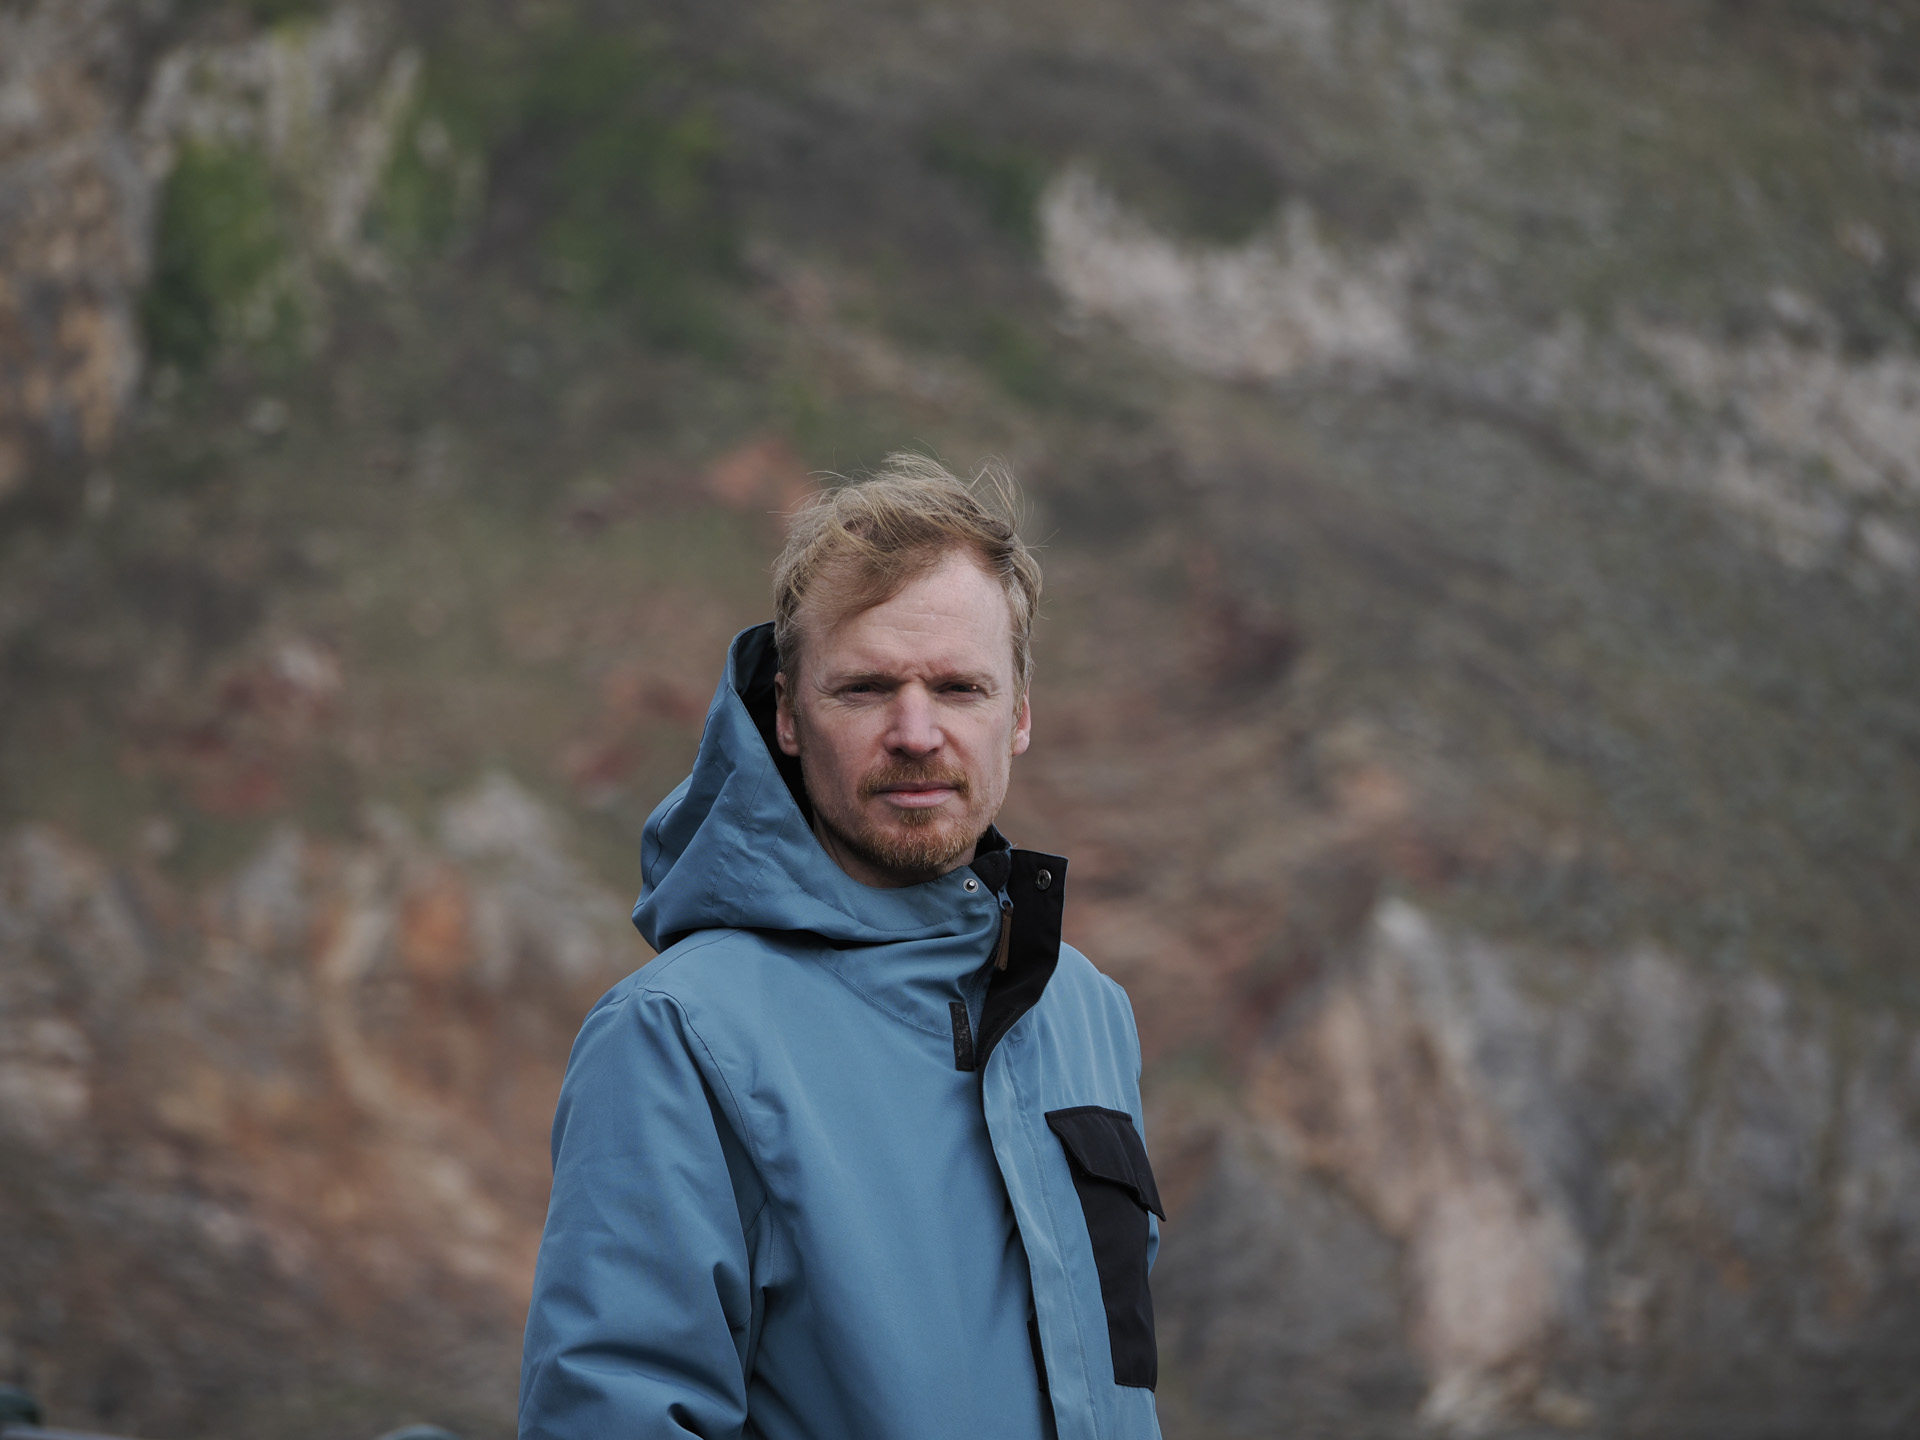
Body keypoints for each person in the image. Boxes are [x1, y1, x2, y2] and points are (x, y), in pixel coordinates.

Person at [518, 455, 1164, 1440]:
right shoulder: (676, 1039)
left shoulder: (1085, 1015)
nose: (916, 731)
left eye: (958, 687)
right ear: (784, 714)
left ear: (1020, 713)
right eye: (864, 689)